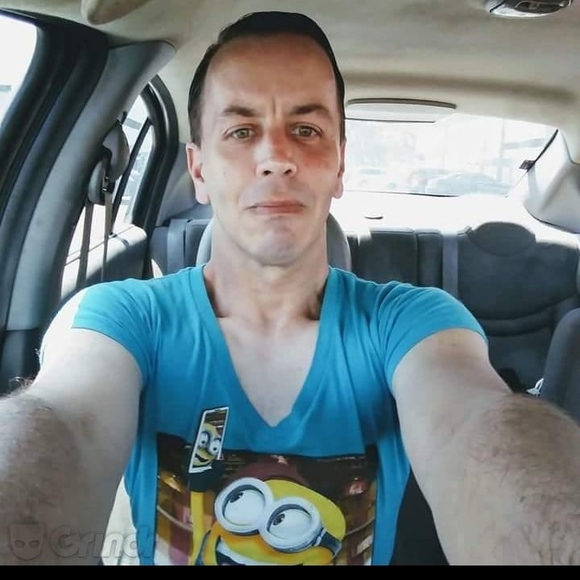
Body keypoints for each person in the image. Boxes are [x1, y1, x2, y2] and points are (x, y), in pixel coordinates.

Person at [1, 10, 580, 566]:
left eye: (306, 129)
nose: (276, 157)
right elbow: (65, 423)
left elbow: (472, 425)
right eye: (241, 130)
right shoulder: (121, 319)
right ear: (199, 170)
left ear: (339, 165)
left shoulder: (411, 324)